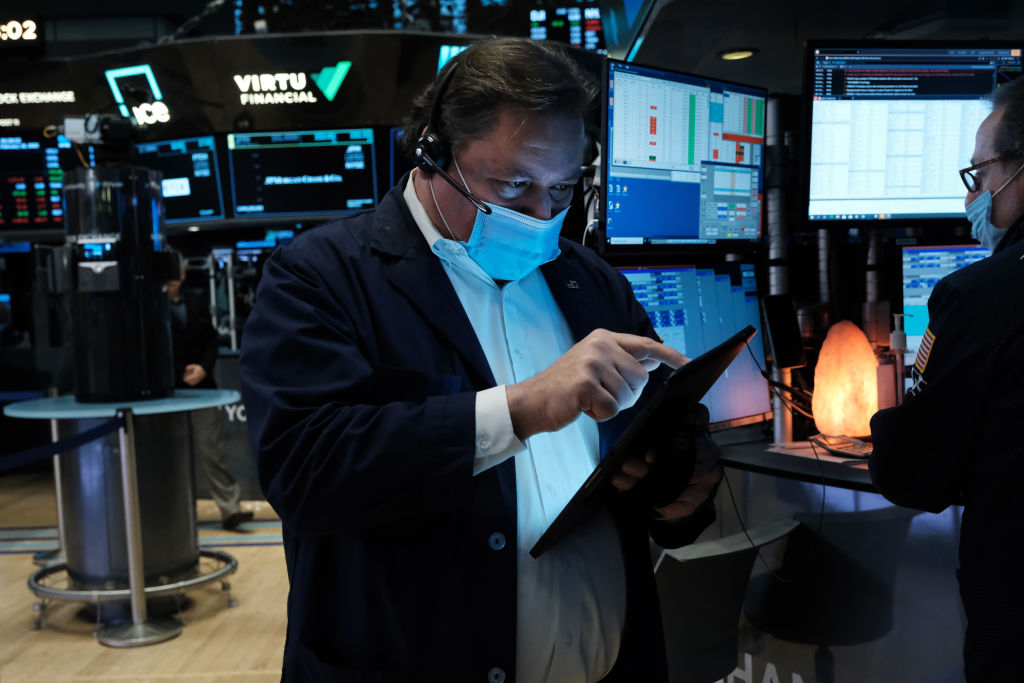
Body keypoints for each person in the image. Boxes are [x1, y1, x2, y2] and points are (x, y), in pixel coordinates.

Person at [240, 37, 722, 682]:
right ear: (433, 153)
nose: (541, 216)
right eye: (514, 184)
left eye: (563, 188)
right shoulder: (320, 276)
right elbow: (305, 471)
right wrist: (519, 409)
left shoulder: (590, 279)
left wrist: (677, 493)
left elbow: (652, 444)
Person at [869, 75, 1024, 682]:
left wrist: (888, 422)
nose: (974, 196)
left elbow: (913, 473)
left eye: (979, 175)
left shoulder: (979, 295)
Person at [167, 266, 254, 531]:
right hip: (169, 392)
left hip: (204, 389)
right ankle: (173, 515)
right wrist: (180, 370)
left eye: (177, 271)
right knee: (170, 456)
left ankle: (230, 510)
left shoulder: (196, 300)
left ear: (183, 274)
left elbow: (211, 340)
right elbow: (151, 346)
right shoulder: (150, 304)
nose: (174, 276)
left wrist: (203, 368)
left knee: (212, 451)